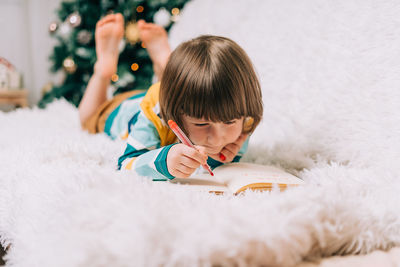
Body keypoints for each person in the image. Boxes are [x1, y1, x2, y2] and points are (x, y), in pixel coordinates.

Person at [79, 13, 263, 180]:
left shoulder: (240, 112)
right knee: (87, 117)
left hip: (176, 96)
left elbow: (219, 162)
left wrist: (218, 159)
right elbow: (125, 165)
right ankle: (103, 70)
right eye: (202, 124)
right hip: (124, 109)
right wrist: (164, 162)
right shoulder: (153, 118)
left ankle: (166, 69)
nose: (216, 139)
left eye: (230, 122)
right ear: (175, 113)